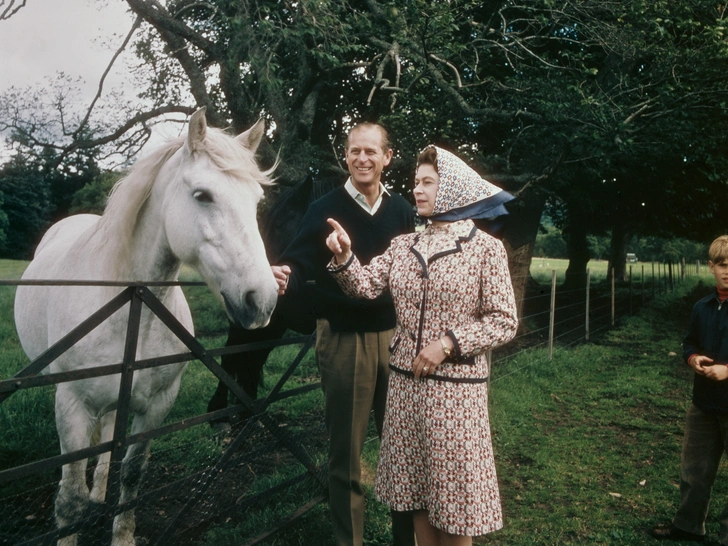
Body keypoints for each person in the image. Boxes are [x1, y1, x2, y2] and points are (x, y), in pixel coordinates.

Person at [325, 145, 518, 546]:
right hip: (405, 391)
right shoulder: (402, 245)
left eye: (428, 182)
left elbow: (504, 322)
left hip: (456, 397)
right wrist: (344, 256)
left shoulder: (485, 249)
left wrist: (448, 343)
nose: (418, 190)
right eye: (416, 182)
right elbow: (363, 286)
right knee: (416, 499)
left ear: (453, 189)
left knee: (455, 506)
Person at [272, 122, 416, 546]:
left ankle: (404, 539)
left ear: (387, 157)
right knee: (346, 456)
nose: (362, 159)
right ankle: (348, 540)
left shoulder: (403, 210)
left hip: (396, 340)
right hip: (344, 341)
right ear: (346, 156)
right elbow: (298, 264)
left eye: (371, 152)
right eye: (354, 151)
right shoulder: (325, 208)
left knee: (401, 452)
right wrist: (285, 276)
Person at [651, 235, 728, 544]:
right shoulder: (703, 306)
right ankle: (688, 525)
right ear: (711, 267)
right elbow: (689, 342)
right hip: (703, 404)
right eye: (722, 264)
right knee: (694, 470)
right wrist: (693, 358)